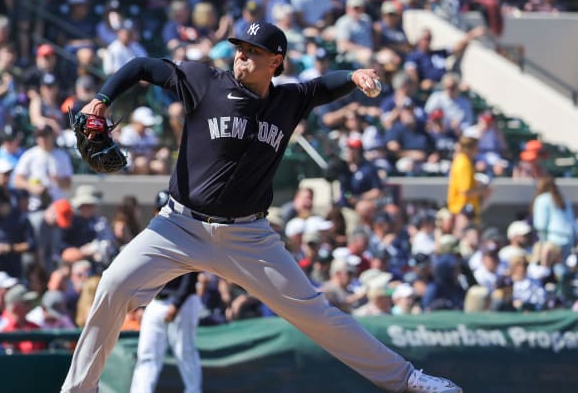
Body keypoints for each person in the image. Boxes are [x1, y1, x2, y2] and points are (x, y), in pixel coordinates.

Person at [61, 21, 461, 393]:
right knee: (112, 285)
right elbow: (142, 65)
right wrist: (100, 100)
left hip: (247, 236)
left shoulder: (290, 100)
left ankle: (408, 380)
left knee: (317, 313)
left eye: (253, 51)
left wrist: (355, 78)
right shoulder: (204, 81)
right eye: (240, 49)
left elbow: (324, 85)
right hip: (178, 227)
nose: (242, 56)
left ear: (276, 62)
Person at [129, 190, 202, 393]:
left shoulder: (188, 235)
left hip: (182, 301)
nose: (161, 212)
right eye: (159, 209)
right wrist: (140, 303)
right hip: (156, 301)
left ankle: (193, 390)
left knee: (184, 351)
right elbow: (143, 274)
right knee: (147, 353)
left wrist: (177, 304)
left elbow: (191, 277)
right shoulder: (150, 236)